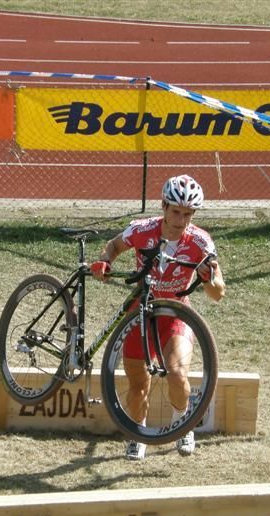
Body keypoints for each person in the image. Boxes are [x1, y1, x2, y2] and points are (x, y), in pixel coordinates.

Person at [90, 174, 225, 460]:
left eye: (188, 214)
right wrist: (105, 260)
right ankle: (138, 435)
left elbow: (218, 293)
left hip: (176, 316)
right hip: (139, 315)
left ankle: (183, 424)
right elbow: (114, 245)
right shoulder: (142, 230)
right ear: (163, 206)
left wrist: (208, 280)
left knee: (177, 374)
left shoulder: (201, 241)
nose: (181, 220)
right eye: (176, 212)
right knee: (138, 386)